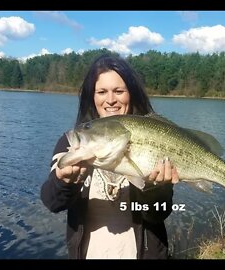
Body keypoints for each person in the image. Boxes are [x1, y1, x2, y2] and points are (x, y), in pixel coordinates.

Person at [40, 54, 179, 259]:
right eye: (102, 92)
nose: (110, 99)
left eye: (119, 91)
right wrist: (64, 182)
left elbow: (158, 213)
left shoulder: (154, 138)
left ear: (130, 93)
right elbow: (53, 202)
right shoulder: (73, 143)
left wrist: (155, 191)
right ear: (92, 96)